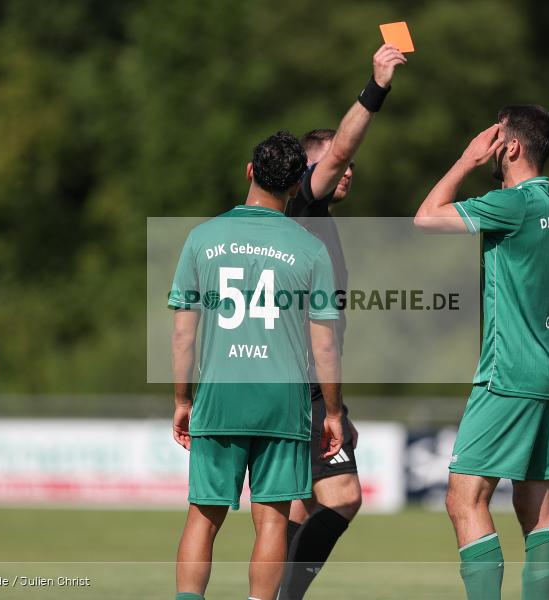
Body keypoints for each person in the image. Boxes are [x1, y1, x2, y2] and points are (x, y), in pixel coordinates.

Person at [168, 131, 345, 600]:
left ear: (250, 172)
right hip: (281, 400)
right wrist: (332, 412)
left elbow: (183, 334)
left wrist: (183, 400)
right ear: (295, 185)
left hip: (220, 394)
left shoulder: (202, 238)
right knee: (271, 518)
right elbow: (324, 346)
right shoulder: (310, 248)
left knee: (203, 517)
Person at [414, 105, 549, 600]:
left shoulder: (515, 204)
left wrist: (465, 161)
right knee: (538, 510)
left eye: (496, 135)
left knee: (464, 499)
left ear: (511, 147)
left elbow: (425, 218)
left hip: (508, 374)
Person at [280, 43, 406, 599]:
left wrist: (337, 406)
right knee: (344, 498)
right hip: (301, 386)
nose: (348, 167)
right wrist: (375, 87)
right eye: (337, 160)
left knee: (299, 504)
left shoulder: (316, 221)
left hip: (304, 384)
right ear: (312, 168)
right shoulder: (305, 206)